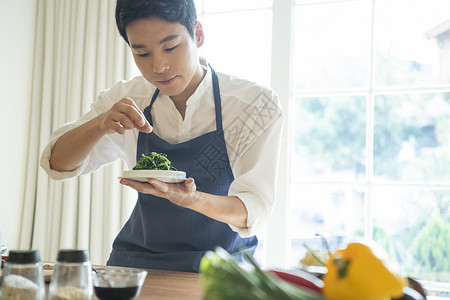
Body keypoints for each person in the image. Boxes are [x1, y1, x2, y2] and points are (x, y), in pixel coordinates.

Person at [40, 0, 283, 273]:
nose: (159, 66)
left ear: (198, 35)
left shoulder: (251, 105)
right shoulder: (127, 99)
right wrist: (99, 125)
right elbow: (56, 164)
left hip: (221, 270)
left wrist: (191, 200)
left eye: (170, 47)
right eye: (142, 53)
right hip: (136, 267)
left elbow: (253, 209)